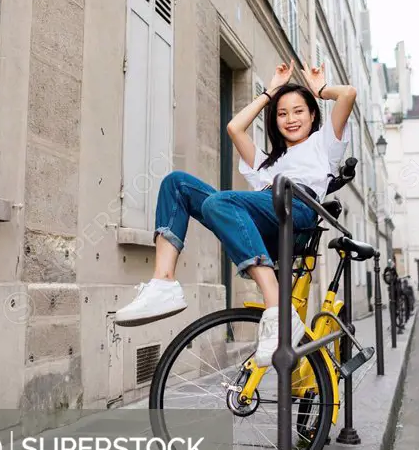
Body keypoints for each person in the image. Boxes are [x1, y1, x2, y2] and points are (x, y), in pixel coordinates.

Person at [115, 60, 357, 365]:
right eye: (282, 114)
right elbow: (234, 127)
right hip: (266, 216)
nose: (290, 119)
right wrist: (270, 92)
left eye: (298, 111)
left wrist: (319, 89)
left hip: (297, 210)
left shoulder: (324, 144)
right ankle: (163, 283)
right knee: (176, 183)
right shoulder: (268, 163)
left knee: (220, 202)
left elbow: (348, 94)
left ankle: (278, 308)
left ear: (312, 114)